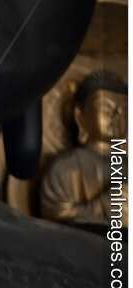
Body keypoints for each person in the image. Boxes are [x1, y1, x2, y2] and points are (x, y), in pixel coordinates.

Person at [40, 72, 127, 225]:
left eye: (125, 112)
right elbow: (54, 218)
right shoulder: (65, 168)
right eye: (107, 109)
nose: (116, 116)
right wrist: (106, 206)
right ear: (80, 116)